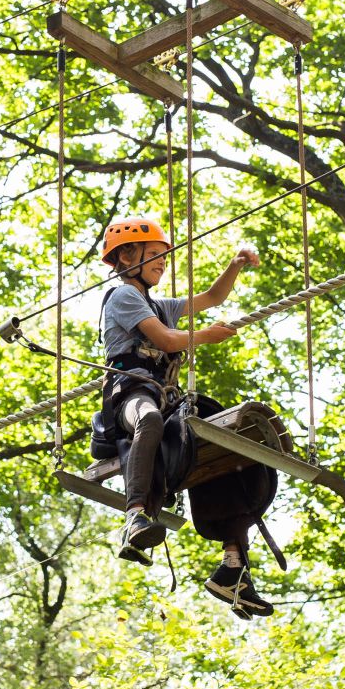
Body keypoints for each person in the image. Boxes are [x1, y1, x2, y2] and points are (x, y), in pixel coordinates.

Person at [96, 216, 274, 618]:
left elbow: (212, 298)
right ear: (127, 256)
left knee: (226, 453)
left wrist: (236, 264)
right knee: (149, 420)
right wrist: (204, 336)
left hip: (165, 398)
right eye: (155, 255)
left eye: (165, 256)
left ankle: (233, 568)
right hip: (131, 393)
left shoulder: (160, 303)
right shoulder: (123, 296)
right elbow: (165, 340)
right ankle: (135, 515)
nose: (163, 262)